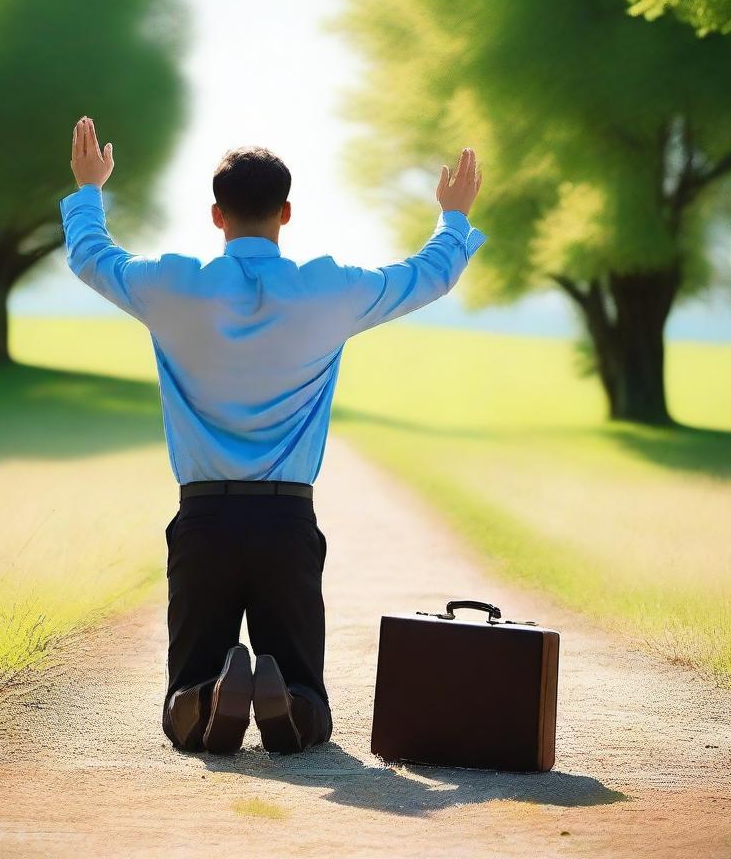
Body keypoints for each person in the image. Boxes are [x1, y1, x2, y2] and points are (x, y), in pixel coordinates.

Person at [61, 116, 486, 755]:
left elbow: (92, 257)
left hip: (203, 515)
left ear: (215, 215)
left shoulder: (174, 287)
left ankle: (200, 701)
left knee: (188, 687)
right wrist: (452, 217)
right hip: (287, 519)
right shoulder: (330, 290)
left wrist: (90, 189)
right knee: (307, 692)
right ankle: (290, 706)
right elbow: (426, 275)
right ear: (286, 212)